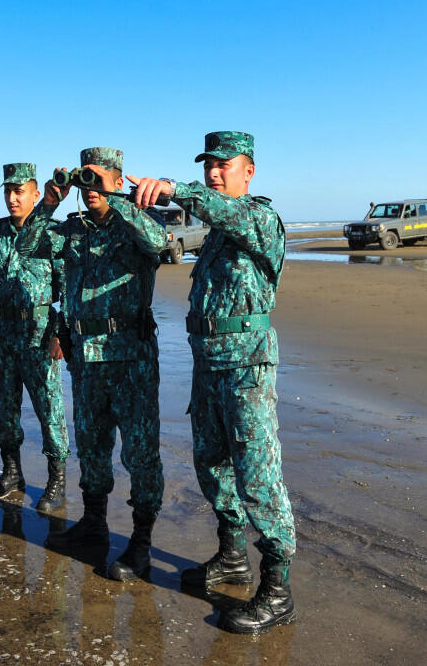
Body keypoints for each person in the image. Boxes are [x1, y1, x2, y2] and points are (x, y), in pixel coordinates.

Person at [130, 131, 296, 634]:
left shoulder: (259, 219)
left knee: (256, 472)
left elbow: (222, 210)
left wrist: (176, 189)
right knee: (212, 464)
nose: (215, 172)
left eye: (226, 165)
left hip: (246, 367)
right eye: (209, 165)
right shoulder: (218, 234)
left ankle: (278, 586)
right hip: (209, 365)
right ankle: (231, 556)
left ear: (249, 172)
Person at [17, 147, 167, 581]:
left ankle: (140, 543)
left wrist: (118, 199)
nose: (92, 189)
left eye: (100, 179)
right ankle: (94, 524)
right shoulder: (73, 230)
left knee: (139, 454)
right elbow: (27, 245)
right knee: (94, 448)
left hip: (131, 358)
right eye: (89, 180)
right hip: (87, 359)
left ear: (118, 182)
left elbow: (158, 243)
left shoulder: (139, 222)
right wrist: (50, 200)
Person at [0, 163, 70, 513]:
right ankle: (12, 472)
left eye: (19, 191)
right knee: (4, 406)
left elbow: (68, 287)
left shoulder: (54, 233)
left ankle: (56, 479)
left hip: (39, 331)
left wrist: (62, 333)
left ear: (36, 194)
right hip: (0, 331)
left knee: (48, 407)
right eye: (8, 191)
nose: (12, 198)